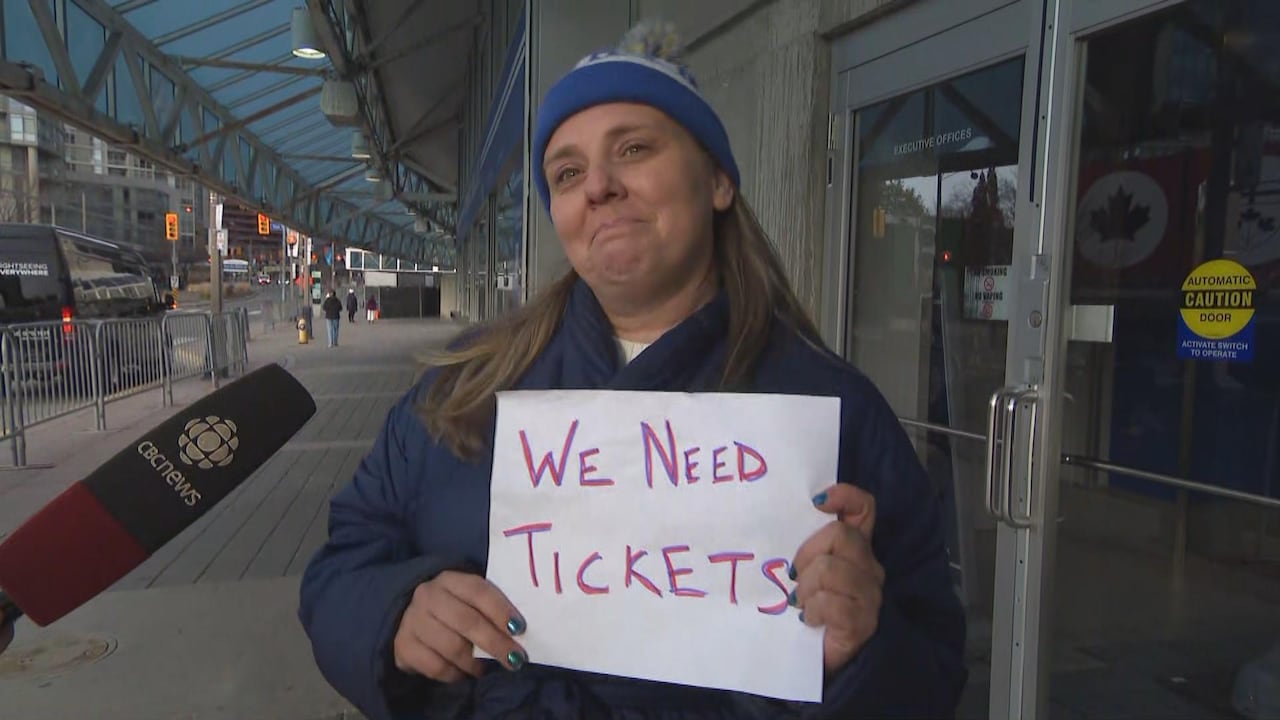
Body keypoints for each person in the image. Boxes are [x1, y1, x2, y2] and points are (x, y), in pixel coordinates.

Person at [298, 20, 966, 720]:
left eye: (634, 149)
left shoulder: (836, 412)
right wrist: (395, 615)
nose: (599, 186)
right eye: (567, 173)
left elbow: (933, 672)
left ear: (717, 180)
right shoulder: (462, 388)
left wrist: (862, 650)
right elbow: (343, 563)